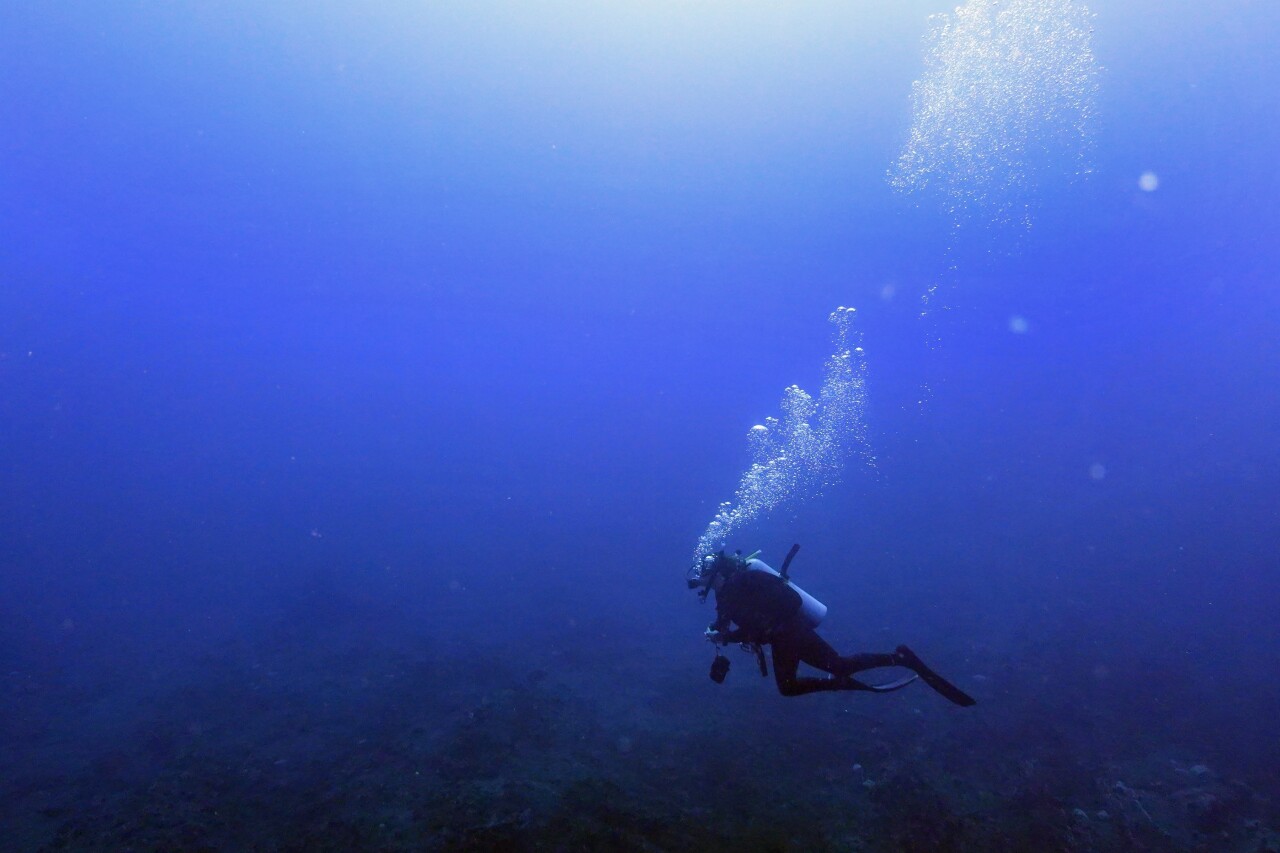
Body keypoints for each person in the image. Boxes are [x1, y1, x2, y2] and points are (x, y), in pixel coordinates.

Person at [687, 548, 976, 706]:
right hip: (788, 634)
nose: (701, 588)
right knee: (832, 667)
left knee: (797, 683)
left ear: (715, 575)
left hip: (788, 634)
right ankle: (896, 658)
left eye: (702, 581)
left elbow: (756, 626)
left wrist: (728, 635)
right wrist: (723, 634)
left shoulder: (738, 588)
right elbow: (747, 628)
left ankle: (865, 674)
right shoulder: (729, 596)